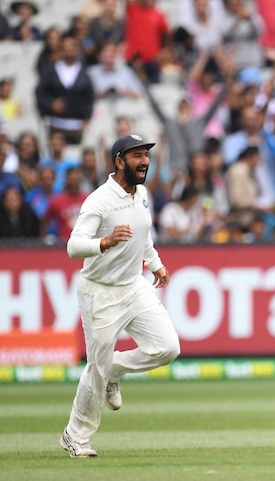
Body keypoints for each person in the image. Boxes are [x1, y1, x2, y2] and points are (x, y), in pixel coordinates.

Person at [61, 134, 181, 458]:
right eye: (137, 156)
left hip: (134, 285)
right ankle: (75, 436)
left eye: (146, 155)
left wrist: (155, 264)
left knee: (168, 347)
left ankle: (114, 370)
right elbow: (74, 246)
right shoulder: (99, 200)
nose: (144, 161)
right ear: (119, 161)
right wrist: (104, 242)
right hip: (99, 292)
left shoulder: (141, 194)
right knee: (95, 369)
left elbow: (143, 236)